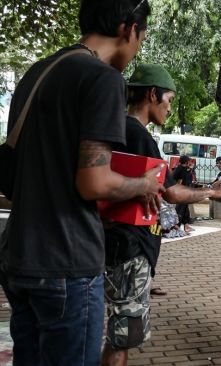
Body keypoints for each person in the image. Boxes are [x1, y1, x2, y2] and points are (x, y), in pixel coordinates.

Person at [0, 1, 166, 365]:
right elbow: (94, 182)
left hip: (19, 257)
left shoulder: (39, 72)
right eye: (142, 36)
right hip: (67, 261)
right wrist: (143, 185)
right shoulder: (103, 78)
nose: (138, 47)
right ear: (128, 28)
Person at [101, 64, 221, 366]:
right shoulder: (137, 135)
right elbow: (172, 192)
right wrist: (212, 192)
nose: (170, 108)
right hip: (131, 247)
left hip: (114, 242)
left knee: (118, 331)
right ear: (152, 94)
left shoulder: (113, 128)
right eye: (169, 99)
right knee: (123, 337)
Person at [173, 155, 195, 232]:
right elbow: (180, 182)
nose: (190, 162)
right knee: (181, 208)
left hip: (182, 191)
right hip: (181, 192)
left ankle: (186, 225)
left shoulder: (180, 168)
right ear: (186, 162)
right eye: (189, 161)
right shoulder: (182, 170)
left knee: (185, 208)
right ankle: (177, 225)